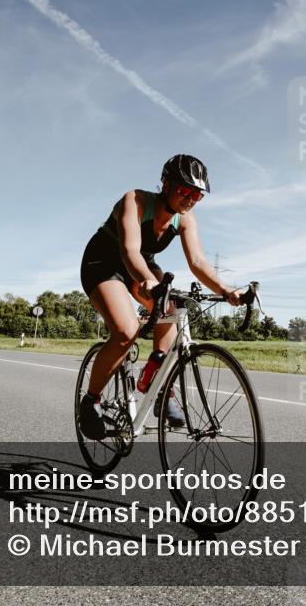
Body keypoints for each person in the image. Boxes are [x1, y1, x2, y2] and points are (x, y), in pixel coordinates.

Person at [77, 154, 242, 440]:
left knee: (172, 308)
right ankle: (90, 401)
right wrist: (149, 281)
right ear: (165, 183)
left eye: (197, 195)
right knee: (126, 331)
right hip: (103, 263)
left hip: (141, 265)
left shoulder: (185, 220)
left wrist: (226, 290)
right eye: (184, 190)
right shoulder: (136, 200)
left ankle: (158, 382)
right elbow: (129, 251)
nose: (190, 199)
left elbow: (199, 263)